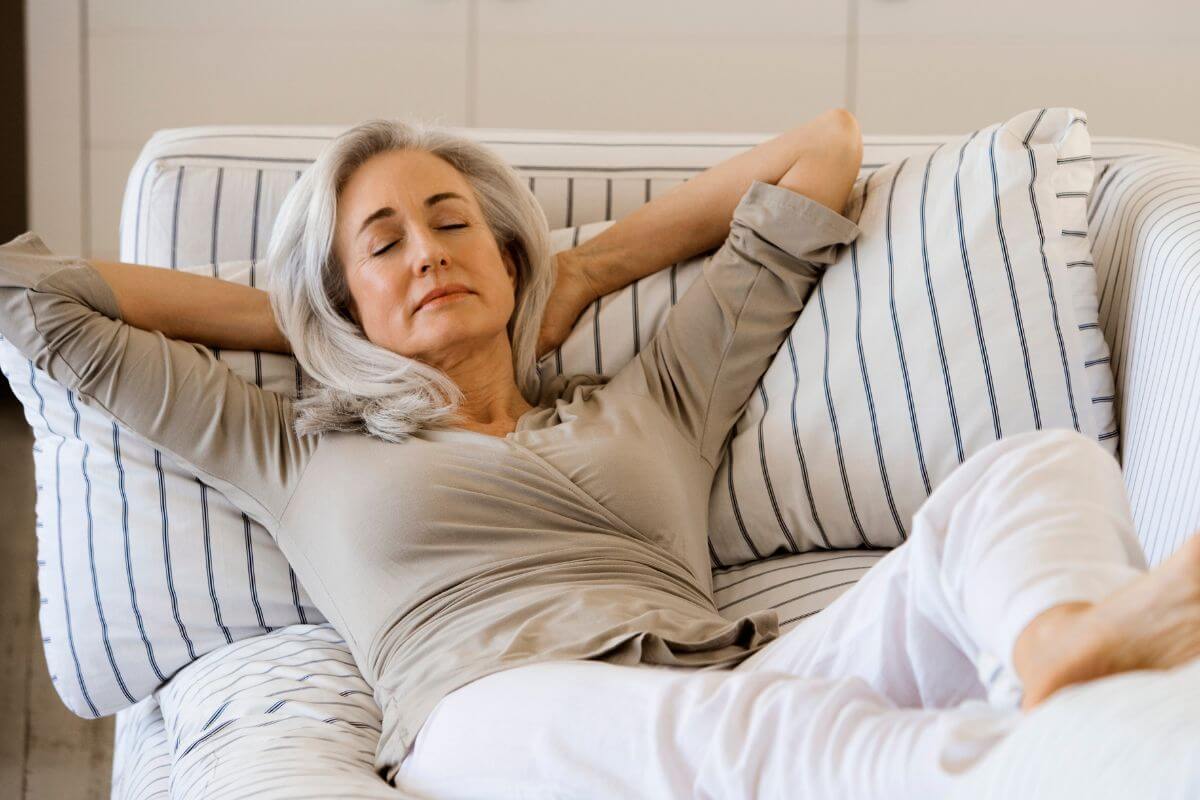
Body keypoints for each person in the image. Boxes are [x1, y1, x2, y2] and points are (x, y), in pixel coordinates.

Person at [1, 108, 1197, 799]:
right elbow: (32, 292)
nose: (427, 250)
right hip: (491, 716)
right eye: (385, 242)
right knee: (785, 745)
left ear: (509, 252)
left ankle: (1056, 649)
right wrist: (312, 323)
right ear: (339, 292)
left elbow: (822, 154)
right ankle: (1063, 761)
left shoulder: (655, 398)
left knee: (1029, 465)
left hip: (729, 669)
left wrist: (585, 268)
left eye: (454, 224)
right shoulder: (296, 445)